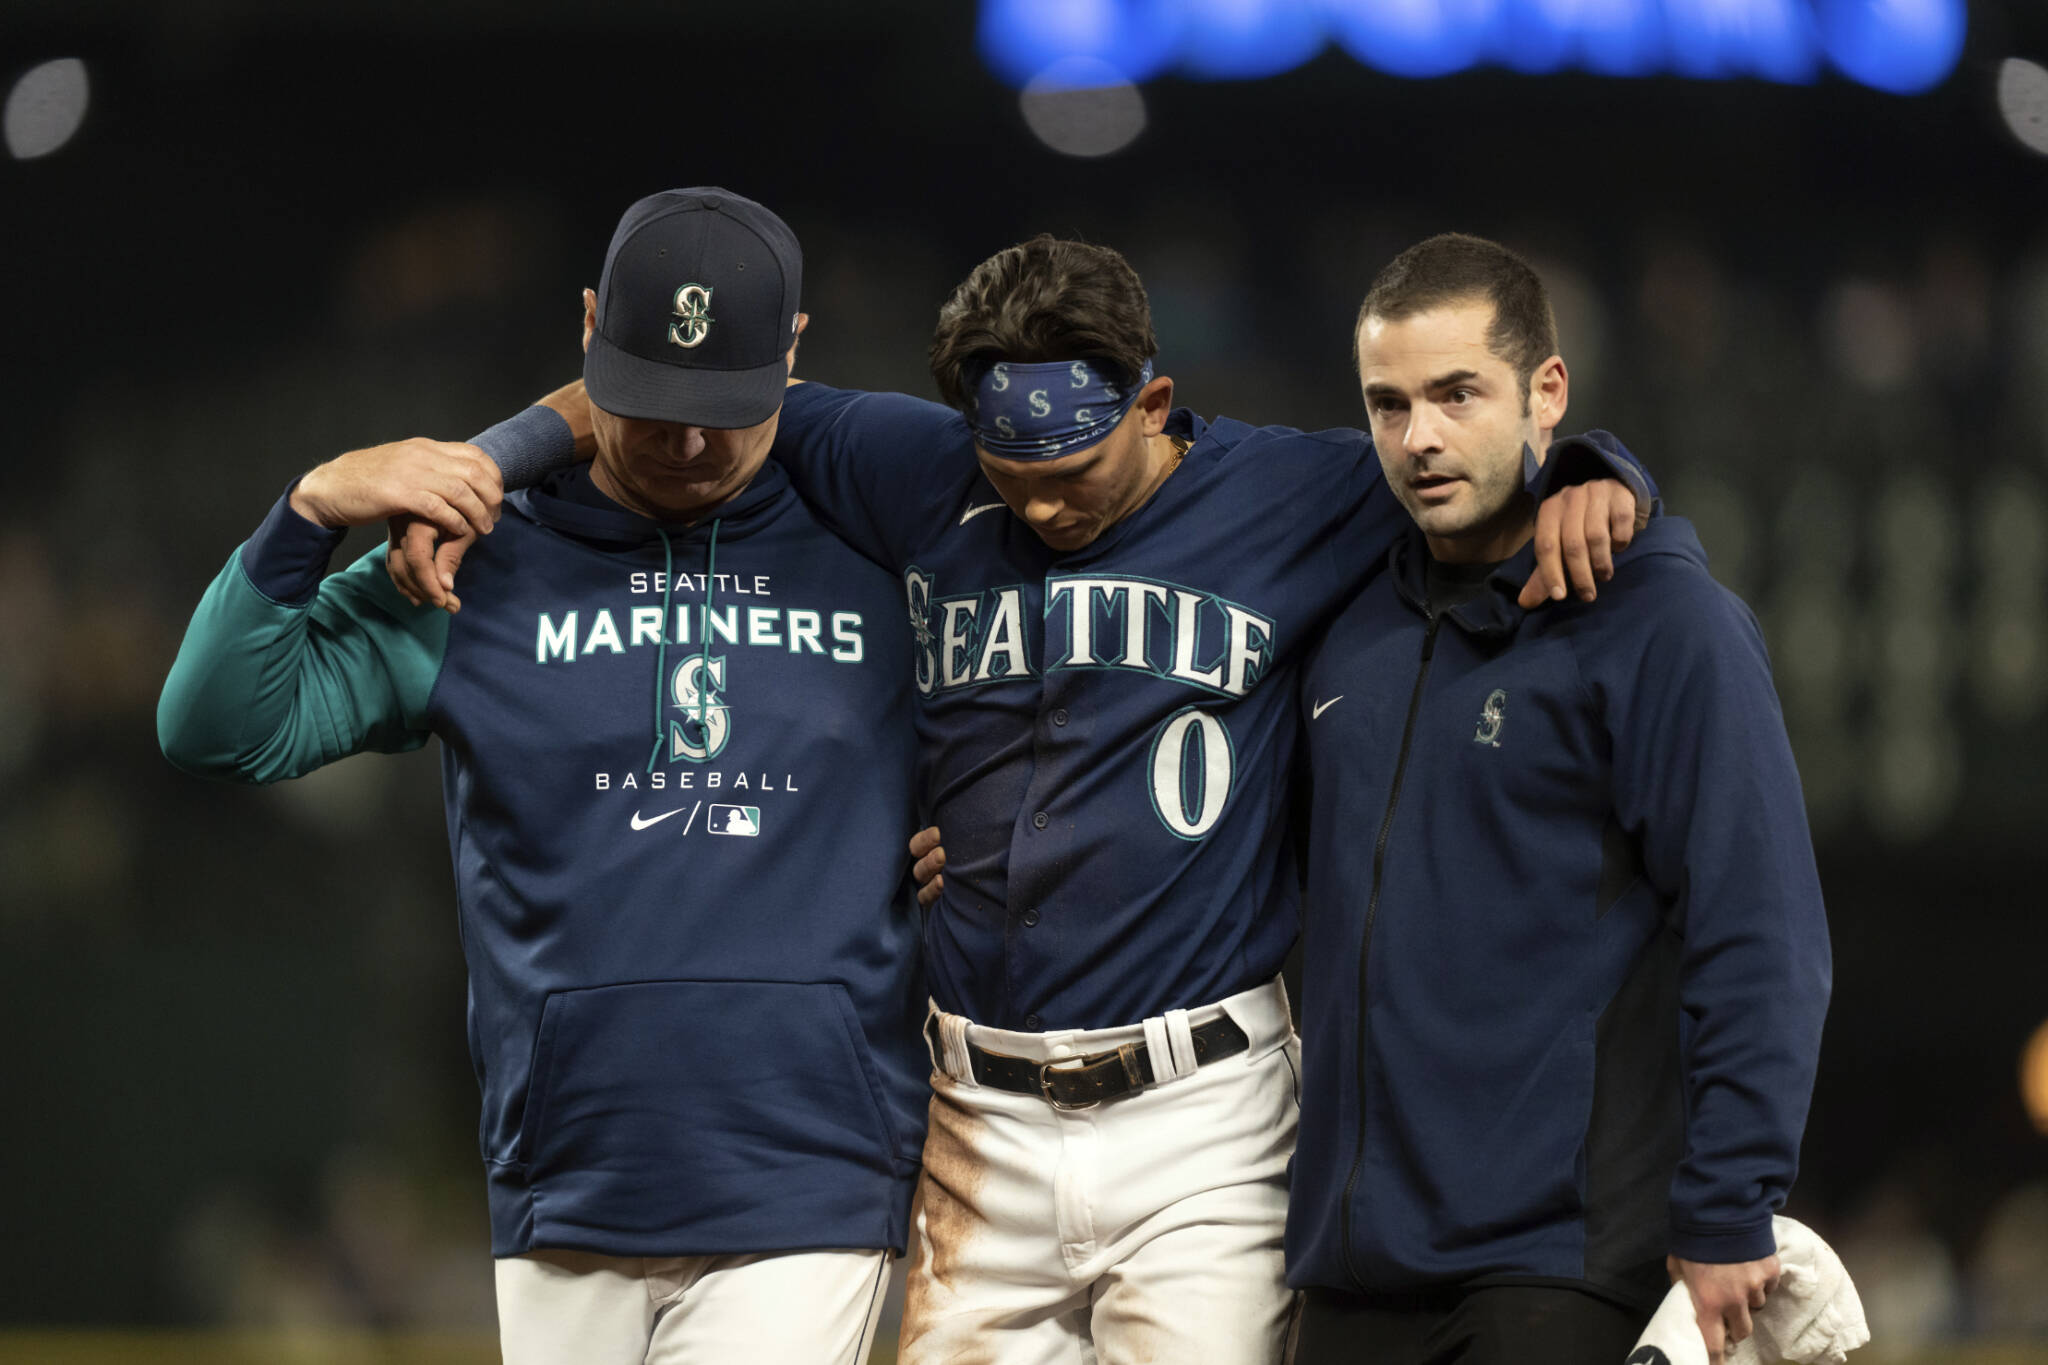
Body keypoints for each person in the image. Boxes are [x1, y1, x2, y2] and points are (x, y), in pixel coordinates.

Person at [422, 233, 1651, 1365]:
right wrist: (491, 458)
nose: (1042, 503)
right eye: (1008, 472)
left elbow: (1474, 467)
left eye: (1073, 468)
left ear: (1152, 403)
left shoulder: (1293, 494)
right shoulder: (918, 468)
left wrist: (1600, 471)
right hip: (975, 1124)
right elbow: (688, 382)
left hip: (1204, 1124)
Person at [157, 187, 928, 1364]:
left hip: (813, 1170)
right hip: (566, 1181)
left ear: (792, 353)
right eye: (651, 403)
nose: (684, 442)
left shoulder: (880, 535)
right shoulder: (475, 554)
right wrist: (310, 510)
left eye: (720, 407)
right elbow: (218, 722)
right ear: (586, 328)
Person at [1286, 234, 1831, 1365]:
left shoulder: (1661, 624)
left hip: (1562, 1267)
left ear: (1546, 392)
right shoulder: (1340, 621)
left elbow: (1759, 928)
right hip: (1351, 1271)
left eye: (1455, 394)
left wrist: (1730, 1200)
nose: (1417, 437)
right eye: (1385, 405)